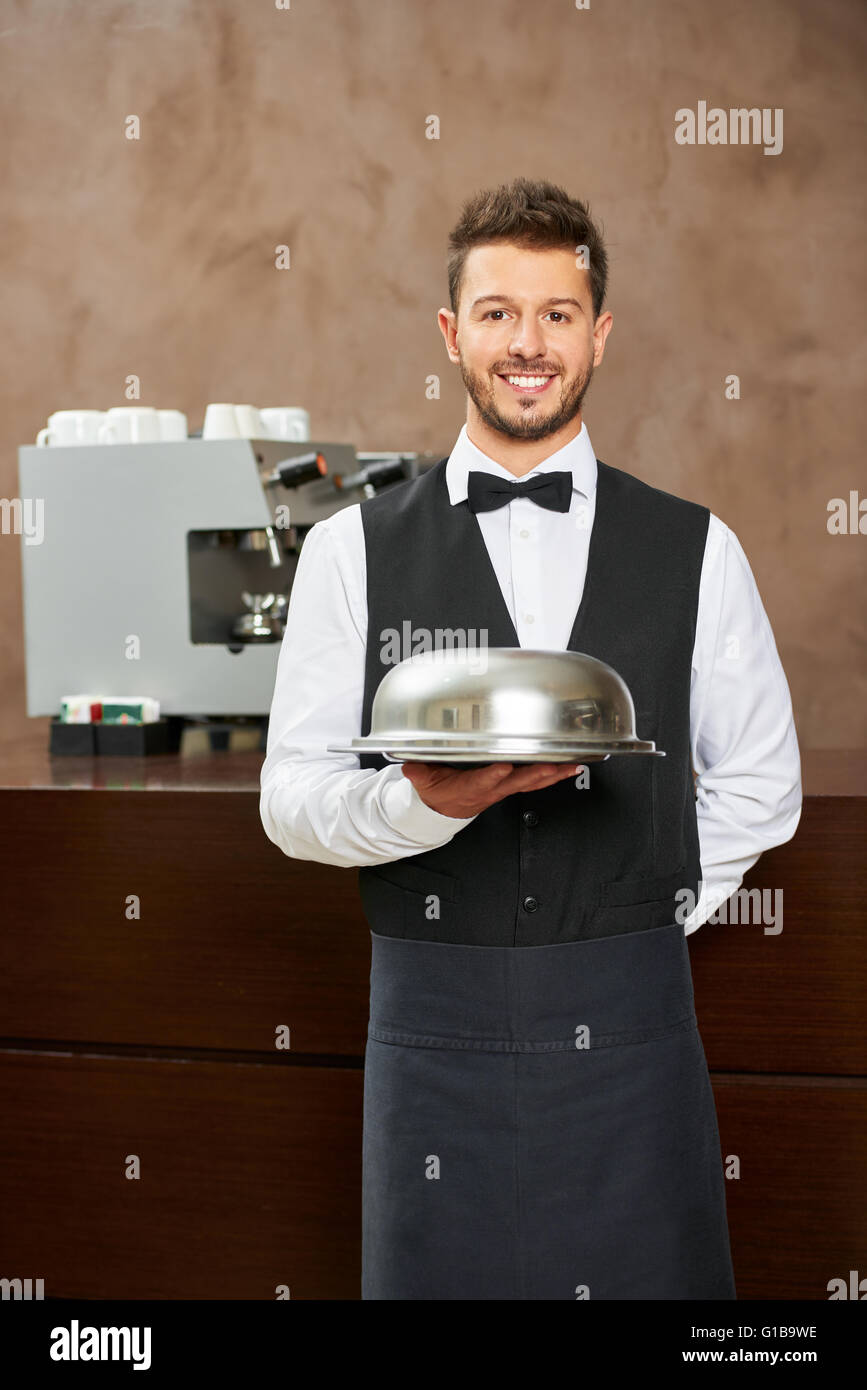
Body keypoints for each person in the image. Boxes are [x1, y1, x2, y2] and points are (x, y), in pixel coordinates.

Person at [259, 177, 802, 1300]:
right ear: (452, 335)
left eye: (557, 313)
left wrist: (632, 913)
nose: (527, 343)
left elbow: (762, 781)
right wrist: (426, 808)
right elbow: (293, 797)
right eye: (498, 312)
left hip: (633, 1028)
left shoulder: (700, 548)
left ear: (598, 335)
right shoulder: (350, 553)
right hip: (432, 1028)